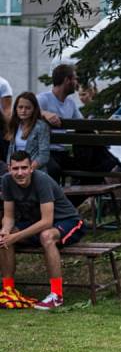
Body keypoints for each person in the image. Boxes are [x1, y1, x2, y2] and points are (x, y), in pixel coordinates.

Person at [0, 151, 86, 310]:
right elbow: (9, 216)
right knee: (4, 237)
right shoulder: (6, 181)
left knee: (46, 236)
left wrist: (16, 236)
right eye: (15, 168)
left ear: (31, 168)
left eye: (24, 168)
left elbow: (47, 222)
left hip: (68, 222)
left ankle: (56, 295)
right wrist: (5, 231)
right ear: (9, 169)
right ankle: (8, 290)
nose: (20, 173)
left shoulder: (42, 180)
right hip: (37, 224)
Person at [5, 92, 50, 172]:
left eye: (28, 108)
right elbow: (10, 150)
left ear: (34, 109)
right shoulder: (15, 124)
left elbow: (44, 155)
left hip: (34, 169)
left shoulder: (41, 127)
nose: (23, 110)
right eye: (20, 107)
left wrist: (27, 169)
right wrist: (10, 165)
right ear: (16, 108)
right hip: (16, 168)